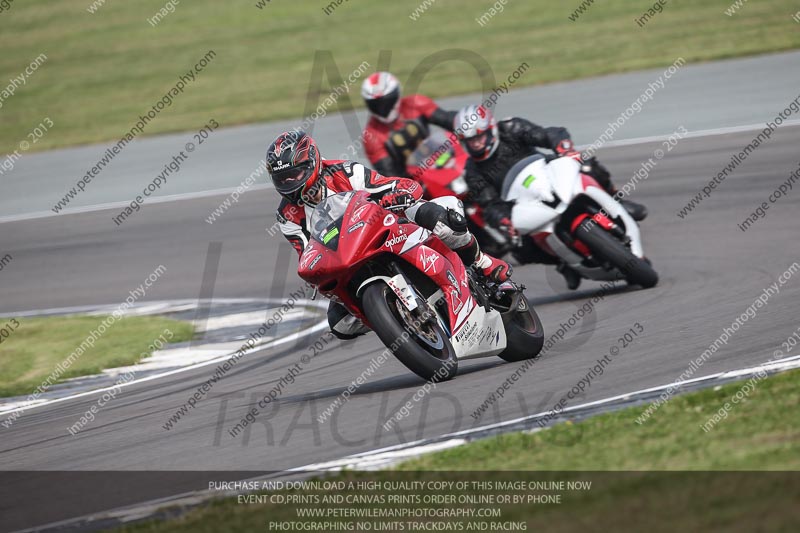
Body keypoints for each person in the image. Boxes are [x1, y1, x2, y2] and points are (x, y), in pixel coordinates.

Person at [268, 129, 512, 340]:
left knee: (446, 221)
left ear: (313, 162)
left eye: (295, 174)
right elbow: (306, 252)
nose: (290, 182)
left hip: (385, 225)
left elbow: (385, 185)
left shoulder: (345, 171)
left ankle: (484, 264)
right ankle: (395, 317)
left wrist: (398, 192)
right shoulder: (286, 216)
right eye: (282, 178)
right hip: (346, 256)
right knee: (340, 323)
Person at [453, 104, 648, 289]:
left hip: (548, 173)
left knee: (587, 164)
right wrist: (503, 219)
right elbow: (490, 204)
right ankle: (564, 263)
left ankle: (616, 199)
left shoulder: (511, 128)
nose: (476, 143)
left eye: (480, 137)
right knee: (520, 248)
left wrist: (563, 148)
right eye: (470, 140)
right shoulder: (473, 171)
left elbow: (550, 134)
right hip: (524, 202)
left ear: (491, 130)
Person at [361, 71, 457, 177]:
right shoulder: (371, 136)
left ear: (396, 94)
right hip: (413, 180)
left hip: (440, 158)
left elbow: (449, 119)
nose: (382, 108)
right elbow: (389, 173)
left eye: (386, 101)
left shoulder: (416, 103)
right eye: (376, 104)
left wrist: (469, 121)